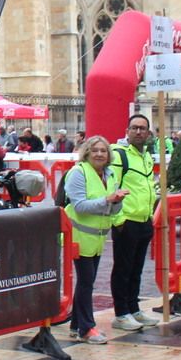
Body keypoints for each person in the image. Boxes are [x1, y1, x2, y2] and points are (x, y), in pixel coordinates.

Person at [63, 135, 128, 344]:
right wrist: (108, 200)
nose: (99, 154)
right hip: (79, 235)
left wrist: (117, 202)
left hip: (97, 238)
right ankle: (87, 327)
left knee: (86, 281)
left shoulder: (109, 174)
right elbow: (80, 206)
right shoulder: (78, 173)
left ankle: (75, 325)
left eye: (103, 150)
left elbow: (113, 207)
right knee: (86, 282)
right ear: (87, 152)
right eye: (95, 150)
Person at [110, 114, 160, 332]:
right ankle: (121, 313)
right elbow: (112, 186)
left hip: (143, 219)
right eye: (134, 128)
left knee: (137, 268)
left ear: (149, 133)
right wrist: (119, 220)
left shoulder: (146, 157)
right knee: (123, 268)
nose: (138, 132)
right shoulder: (120, 155)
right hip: (126, 220)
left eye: (142, 128)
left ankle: (134, 308)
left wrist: (149, 214)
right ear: (127, 131)